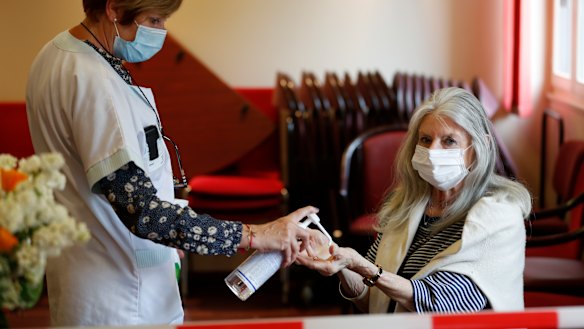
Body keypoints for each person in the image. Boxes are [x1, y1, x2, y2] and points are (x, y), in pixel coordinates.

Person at [25, 0, 320, 326]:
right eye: (154, 18)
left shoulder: (53, 56)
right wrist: (257, 234)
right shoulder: (95, 80)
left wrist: (174, 236)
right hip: (122, 296)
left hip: (84, 278)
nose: (161, 30)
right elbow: (144, 213)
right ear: (113, 8)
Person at [297, 87, 532, 313]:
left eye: (449, 141)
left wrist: (365, 268)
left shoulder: (499, 215)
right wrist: (337, 259)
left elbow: (445, 303)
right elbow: (372, 299)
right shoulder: (408, 206)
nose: (432, 151)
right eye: (426, 139)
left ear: (480, 147)